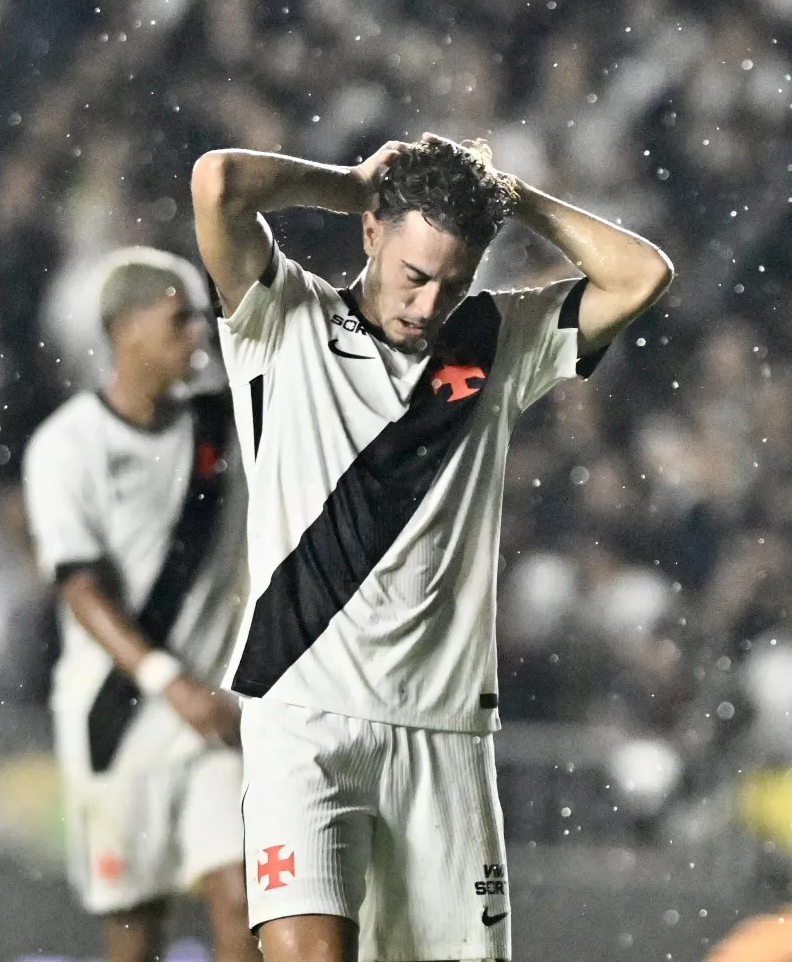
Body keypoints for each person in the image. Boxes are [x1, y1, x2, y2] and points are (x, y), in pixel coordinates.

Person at [191, 134, 673, 962]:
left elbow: (641, 275)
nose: (427, 304)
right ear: (372, 235)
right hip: (302, 712)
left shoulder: (497, 341)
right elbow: (219, 181)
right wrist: (349, 185)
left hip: (443, 733)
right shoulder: (283, 319)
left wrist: (510, 195)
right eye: (415, 276)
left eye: (453, 283)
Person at [21, 247, 260, 962]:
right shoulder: (68, 445)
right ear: (124, 328)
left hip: (218, 712)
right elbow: (82, 588)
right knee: (134, 929)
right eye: (178, 318)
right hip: (119, 713)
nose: (197, 333)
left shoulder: (226, 427)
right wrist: (168, 682)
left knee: (244, 896)